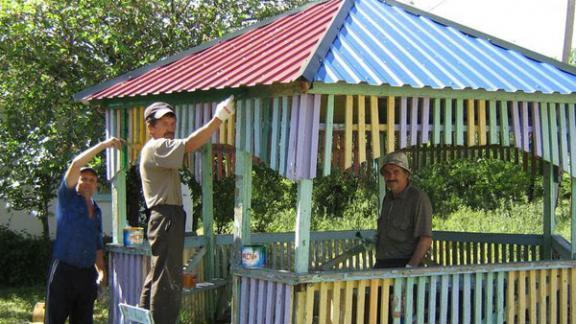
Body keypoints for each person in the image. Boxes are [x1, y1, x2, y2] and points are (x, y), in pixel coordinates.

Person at [139, 96, 235, 324]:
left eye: (172, 124)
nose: (170, 129)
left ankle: (142, 318)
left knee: (158, 273)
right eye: (164, 124)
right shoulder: (156, 146)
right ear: (150, 127)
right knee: (167, 278)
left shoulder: (159, 150)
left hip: (165, 216)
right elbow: (191, 144)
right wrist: (218, 118)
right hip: (166, 216)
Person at [45, 137, 123, 324]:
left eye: (92, 180)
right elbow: (76, 163)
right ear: (76, 182)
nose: (87, 182)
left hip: (87, 275)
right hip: (63, 271)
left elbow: (96, 243)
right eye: (84, 179)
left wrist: (102, 271)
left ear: (96, 185)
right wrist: (104, 145)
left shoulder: (96, 211)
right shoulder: (67, 199)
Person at [374, 151, 432, 269]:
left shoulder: (418, 199)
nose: (391, 177)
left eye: (396, 172)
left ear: (406, 174)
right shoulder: (387, 198)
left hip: (403, 265)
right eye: (387, 173)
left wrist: (410, 268)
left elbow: (425, 239)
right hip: (383, 265)